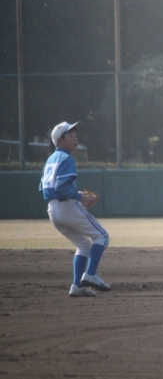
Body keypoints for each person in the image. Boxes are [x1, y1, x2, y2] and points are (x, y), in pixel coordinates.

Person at [39, 121, 111, 297]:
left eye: (75, 136)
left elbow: (46, 188)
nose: (75, 139)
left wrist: (76, 195)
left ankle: (77, 286)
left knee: (83, 245)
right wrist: (80, 198)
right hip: (66, 207)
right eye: (70, 136)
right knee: (102, 236)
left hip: (53, 210)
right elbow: (61, 186)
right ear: (59, 141)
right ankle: (91, 274)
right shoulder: (66, 158)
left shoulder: (51, 159)